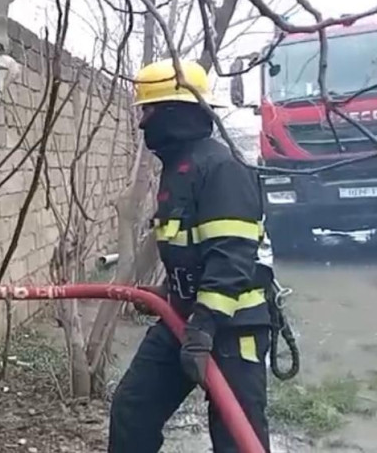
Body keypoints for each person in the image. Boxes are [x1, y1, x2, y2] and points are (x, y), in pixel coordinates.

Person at [109, 59, 272, 452]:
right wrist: (169, 292)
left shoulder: (221, 168)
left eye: (148, 110)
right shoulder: (179, 168)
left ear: (173, 111)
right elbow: (191, 248)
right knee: (132, 408)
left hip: (233, 328)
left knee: (237, 438)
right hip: (185, 319)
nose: (143, 122)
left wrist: (204, 327)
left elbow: (231, 257)